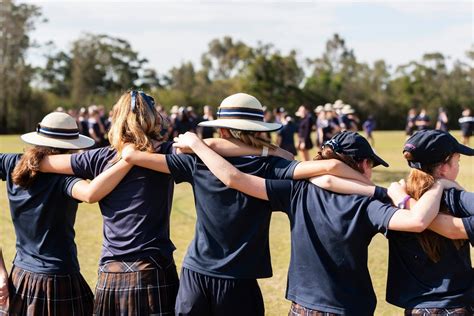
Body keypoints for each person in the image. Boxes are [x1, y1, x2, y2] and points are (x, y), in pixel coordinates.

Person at [122, 93, 371, 316]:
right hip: (240, 278)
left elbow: (131, 155)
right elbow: (330, 167)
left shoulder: (196, 161)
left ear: (223, 131)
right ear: (258, 130)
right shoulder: (273, 166)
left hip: (196, 273)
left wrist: (199, 144)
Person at [171, 130, 449, 315]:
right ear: (363, 163)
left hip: (302, 307)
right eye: (371, 166)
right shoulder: (369, 202)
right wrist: (436, 186)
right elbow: (417, 221)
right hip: (349, 308)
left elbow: (237, 179)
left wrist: (198, 144)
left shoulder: (297, 190)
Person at [0, 112, 133, 316]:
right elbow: (90, 194)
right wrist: (129, 159)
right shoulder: (63, 179)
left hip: (21, 277)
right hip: (57, 278)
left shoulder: (13, 164)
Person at [383, 129, 474, 314]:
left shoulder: (393, 198)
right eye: (457, 161)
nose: (458, 167)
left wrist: (406, 202)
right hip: (456, 306)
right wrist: (445, 186)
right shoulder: (456, 199)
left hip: (417, 308)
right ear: (443, 168)